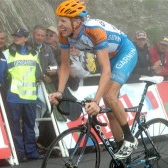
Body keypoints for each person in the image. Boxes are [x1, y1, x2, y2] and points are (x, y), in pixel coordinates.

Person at [49, 0, 138, 159]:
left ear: (77, 22)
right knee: (111, 113)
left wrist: (96, 102)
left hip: (124, 52)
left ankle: (130, 139)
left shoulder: (94, 31)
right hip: (109, 56)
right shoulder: (64, 35)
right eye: (59, 20)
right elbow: (64, 65)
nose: (59, 24)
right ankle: (121, 155)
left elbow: (105, 70)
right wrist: (59, 92)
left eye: (63, 20)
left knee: (108, 96)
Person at [0, 28, 42, 161]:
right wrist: (9, 88)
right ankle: (19, 153)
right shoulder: (6, 53)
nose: (16, 38)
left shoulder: (34, 53)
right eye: (15, 36)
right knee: (15, 125)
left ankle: (31, 152)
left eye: (19, 36)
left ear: (26, 38)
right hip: (14, 96)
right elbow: (0, 74)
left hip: (30, 96)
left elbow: (38, 73)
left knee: (29, 125)